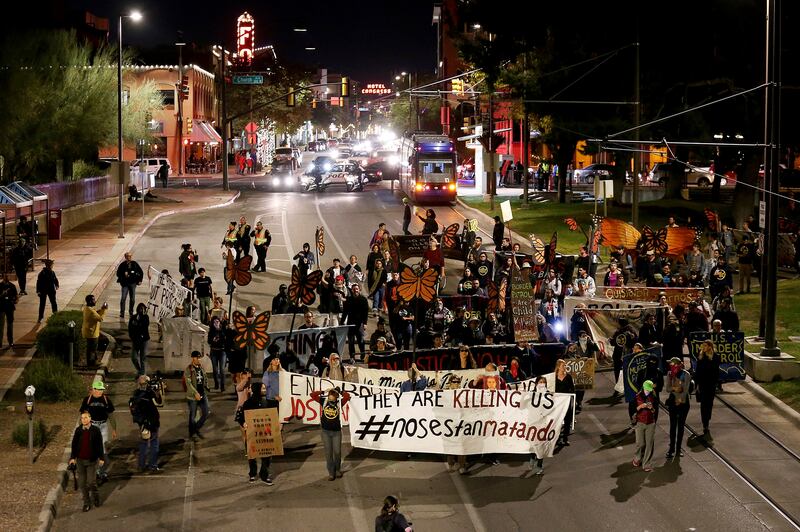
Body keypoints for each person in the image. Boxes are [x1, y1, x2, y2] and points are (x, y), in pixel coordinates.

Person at [236, 381, 275, 484]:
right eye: (262, 389)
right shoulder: (248, 403)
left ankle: (264, 475)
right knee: (252, 455)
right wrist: (243, 423)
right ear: (257, 390)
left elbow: (273, 416)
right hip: (252, 434)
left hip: (264, 434)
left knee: (266, 456)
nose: (265, 390)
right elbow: (240, 416)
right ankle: (252, 473)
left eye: (265, 388)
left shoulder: (267, 402)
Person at [310, 387, 351, 480]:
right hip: (325, 431)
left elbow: (347, 396)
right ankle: (331, 473)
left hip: (336, 432)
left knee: (337, 452)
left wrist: (340, 391)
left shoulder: (339, 403)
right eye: (329, 397)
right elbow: (312, 395)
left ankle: (337, 470)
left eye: (332, 398)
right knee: (328, 453)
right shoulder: (323, 401)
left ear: (336, 397)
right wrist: (324, 391)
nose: (330, 399)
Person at [79, 380, 116, 483]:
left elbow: (111, 415)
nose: (100, 391)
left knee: (102, 449)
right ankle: (93, 471)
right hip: (92, 426)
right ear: (93, 390)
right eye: (99, 389)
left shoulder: (106, 400)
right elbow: (83, 416)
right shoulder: (87, 400)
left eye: (101, 390)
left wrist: (114, 428)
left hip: (103, 426)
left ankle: (101, 472)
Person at [69, 411, 105, 512]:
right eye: (82, 418)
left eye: (85, 418)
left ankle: (96, 497)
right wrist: (72, 457)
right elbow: (74, 445)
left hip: (92, 461)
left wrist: (101, 458)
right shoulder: (78, 430)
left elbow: (99, 445)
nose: (83, 420)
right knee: (82, 483)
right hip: (80, 461)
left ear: (90, 418)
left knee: (91, 482)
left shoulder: (95, 430)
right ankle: (86, 502)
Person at [130, 375, 161, 473]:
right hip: (151, 422)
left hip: (142, 423)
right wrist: (157, 391)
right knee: (154, 443)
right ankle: (152, 465)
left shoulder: (135, 394)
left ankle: (141, 465)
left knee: (143, 443)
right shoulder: (148, 393)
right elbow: (159, 401)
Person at [665, 357, 691, 459]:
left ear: (677, 365)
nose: (670, 366)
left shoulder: (686, 374)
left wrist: (680, 400)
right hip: (673, 403)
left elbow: (685, 390)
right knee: (672, 426)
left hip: (683, 403)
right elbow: (667, 388)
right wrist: (675, 388)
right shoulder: (670, 374)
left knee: (680, 426)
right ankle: (671, 448)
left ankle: (678, 449)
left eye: (672, 364)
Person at [695, 340, 721, 439]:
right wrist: (697, 384)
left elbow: (716, 371)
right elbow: (697, 371)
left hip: (711, 384)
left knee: (709, 403)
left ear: (710, 347)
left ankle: (707, 419)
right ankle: (705, 423)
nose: (703, 347)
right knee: (703, 404)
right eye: (703, 346)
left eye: (705, 346)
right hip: (702, 384)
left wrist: (716, 383)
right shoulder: (701, 357)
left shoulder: (715, 357)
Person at [632, 379, 657, 472]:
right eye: (647, 389)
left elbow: (655, 411)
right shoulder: (637, 396)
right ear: (643, 387)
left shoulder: (653, 396)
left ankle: (647, 463)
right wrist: (641, 406)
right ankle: (637, 458)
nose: (648, 391)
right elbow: (633, 409)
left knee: (649, 444)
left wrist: (652, 408)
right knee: (640, 443)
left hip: (650, 422)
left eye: (649, 390)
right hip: (640, 422)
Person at [185, 351, 209, 440]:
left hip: (202, 393)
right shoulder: (189, 369)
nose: (199, 359)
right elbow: (188, 383)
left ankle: (195, 429)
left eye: (200, 358)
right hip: (193, 396)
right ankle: (192, 433)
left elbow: (205, 377)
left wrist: (207, 385)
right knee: (193, 416)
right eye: (197, 358)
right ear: (193, 358)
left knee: (206, 412)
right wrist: (195, 393)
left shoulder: (201, 367)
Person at [342, 283, 369, 362]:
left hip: (360, 324)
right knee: (351, 342)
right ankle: (352, 357)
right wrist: (342, 322)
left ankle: (362, 355)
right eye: (354, 289)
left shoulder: (363, 299)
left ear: (359, 290)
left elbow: (366, 312)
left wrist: (365, 323)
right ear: (352, 290)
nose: (355, 290)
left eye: (356, 289)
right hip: (350, 324)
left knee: (361, 341)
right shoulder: (348, 299)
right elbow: (345, 312)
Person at [529, 376, 549, 474]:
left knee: (541, 444)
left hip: (543, 423)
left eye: (543, 382)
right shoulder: (531, 394)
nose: (542, 384)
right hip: (533, 423)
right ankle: (533, 457)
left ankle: (539, 465)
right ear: (536, 383)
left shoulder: (549, 394)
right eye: (540, 382)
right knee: (533, 443)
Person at [82, 295, 108, 367]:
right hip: (92, 333)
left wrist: (101, 310)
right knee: (92, 349)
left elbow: (96, 314)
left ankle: (93, 362)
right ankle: (91, 364)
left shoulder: (87, 308)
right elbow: (100, 318)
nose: (95, 301)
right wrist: (105, 310)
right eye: (93, 300)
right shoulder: (91, 312)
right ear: (90, 301)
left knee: (91, 348)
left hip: (88, 332)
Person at [116, 252, 143, 319]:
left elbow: (141, 272)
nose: (129, 258)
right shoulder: (122, 265)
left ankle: (131, 312)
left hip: (132, 283)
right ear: (125, 257)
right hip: (125, 284)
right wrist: (123, 274)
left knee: (132, 299)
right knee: (123, 298)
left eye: (130, 256)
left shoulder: (135, 264)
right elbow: (118, 274)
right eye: (128, 256)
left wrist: (140, 280)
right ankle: (122, 313)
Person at [554, 359, 574, 446]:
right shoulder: (553, 377)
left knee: (567, 420)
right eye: (563, 366)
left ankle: (565, 438)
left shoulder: (568, 377)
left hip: (567, 401)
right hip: (557, 403)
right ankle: (557, 439)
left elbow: (572, 389)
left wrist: (572, 399)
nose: (565, 367)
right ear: (558, 367)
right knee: (558, 421)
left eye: (565, 365)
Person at [128, 303, 150, 376]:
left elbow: (145, 325)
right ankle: (139, 370)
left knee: (142, 358)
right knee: (134, 358)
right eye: (141, 308)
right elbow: (130, 328)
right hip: (135, 340)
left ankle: (142, 373)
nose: (142, 310)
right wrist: (132, 337)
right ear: (138, 309)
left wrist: (142, 317)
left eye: (143, 309)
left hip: (144, 340)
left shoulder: (146, 317)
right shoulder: (133, 317)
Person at [207, 316, 227, 392]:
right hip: (214, 351)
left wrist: (220, 330)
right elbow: (209, 341)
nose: (216, 323)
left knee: (222, 369)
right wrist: (213, 339)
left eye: (218, 321)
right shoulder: (211, 331)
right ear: (212, 323)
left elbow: (225, 340)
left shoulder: (222, 329)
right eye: (215, 322)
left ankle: (222, 385)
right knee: (215, 369)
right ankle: (216, 384)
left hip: (222, 351)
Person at [36, 259, 59, 323]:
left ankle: (55, 314)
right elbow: (38, 282)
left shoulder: (52, 272)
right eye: (52, 264)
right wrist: (38, 291)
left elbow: (55, 279)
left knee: (53, 302)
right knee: (42, 304)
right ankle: (40, 317)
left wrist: (57, 284)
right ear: (49, 265)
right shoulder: (42, 273)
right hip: (44, 290)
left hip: (51, 290)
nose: (52, 266)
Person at [0, 273, 18, 348]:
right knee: (0, 326)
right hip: (1, 307)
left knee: (10, 325)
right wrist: (2, 294)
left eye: (7, 276)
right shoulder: (0, 286)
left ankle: (10, 342)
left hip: (10, 307)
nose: (6, 277)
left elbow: (16, 297)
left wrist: (15, 300)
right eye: (5, 276)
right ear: (2, 277)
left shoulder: (12, 286)